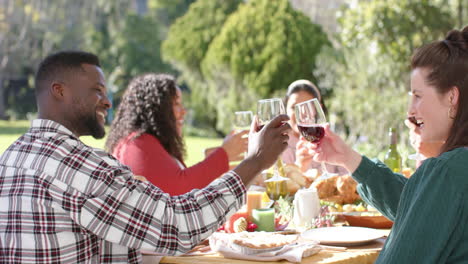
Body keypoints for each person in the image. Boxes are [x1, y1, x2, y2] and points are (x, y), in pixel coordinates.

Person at [0, 51, 291, 263]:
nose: (108, 101)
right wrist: (256, 160)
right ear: (59, 92)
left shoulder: (11, 157)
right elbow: (180, 224)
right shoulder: (79, 166)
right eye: (97, 91)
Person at [307, 26, 468, 263]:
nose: (410, 110)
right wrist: (348, 158)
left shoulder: (447, 171)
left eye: (418, 95)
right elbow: (420, 208)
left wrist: (434, 161)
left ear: (452, 98)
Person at [105, 73, 247, 195]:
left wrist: (211, 163)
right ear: (158, 109)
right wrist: (223, 155)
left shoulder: (147, 142)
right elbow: (179, 188)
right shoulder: (137, 144)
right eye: (176, 104)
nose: (183, 111)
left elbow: (174, 182)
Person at [282, 79, 345, 175]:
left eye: (307, 107)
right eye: (294, 108)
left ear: (317, 109)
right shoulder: (278, 146)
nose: (301, 114)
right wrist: (299, 167)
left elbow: (348, 178)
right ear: (285, 109)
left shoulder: (330, 140)